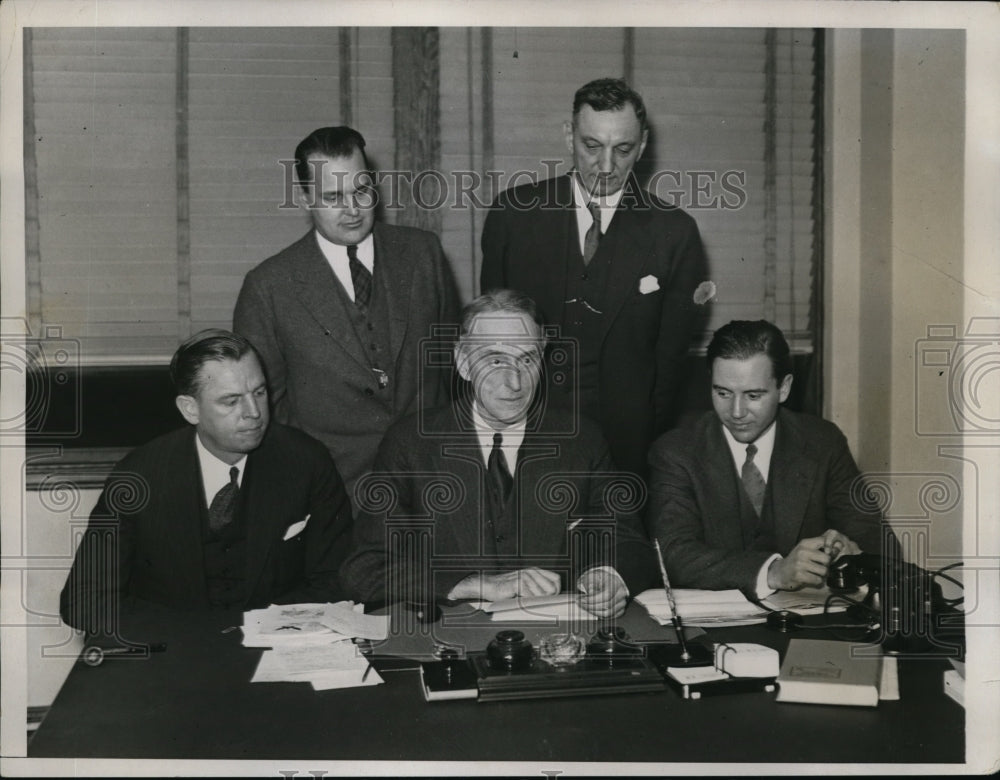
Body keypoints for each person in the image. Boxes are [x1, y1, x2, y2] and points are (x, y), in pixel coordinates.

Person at [342, 290, 656, 618]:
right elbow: (363, 569)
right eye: (495, 360)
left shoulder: (582, 439)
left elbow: (630, 541)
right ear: (463, 363)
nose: (515, 382)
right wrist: (473, 584)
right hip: (453, 642)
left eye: (527, 359)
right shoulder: (411, 444)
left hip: (556, 639)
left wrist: (608, 576)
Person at [480, 78, 710, 479]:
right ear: (569, 136)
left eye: (622, 149)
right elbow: (494, 341)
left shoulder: (674, 232)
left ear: (642, 146)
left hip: (625, 451)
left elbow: (669, 364)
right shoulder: (513, 216)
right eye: (592, 146)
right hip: (527, 435)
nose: (606, 166)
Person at [60, 330, 353, 637]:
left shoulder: (306, 461)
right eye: (231, 401)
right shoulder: (139, 477)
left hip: (276, 645)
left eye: (260, 392)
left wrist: (261, 628)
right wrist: (198, 634)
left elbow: (337, 577)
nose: (253, 413)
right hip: (174, 653)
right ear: (190, 409)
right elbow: (84, 601)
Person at [234, 126, 459, 509]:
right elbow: (266, 410)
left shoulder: (424, 255)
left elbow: (455, 370)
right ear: (305, 198)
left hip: (434, 487)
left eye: (361, 191)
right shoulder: (268, 287)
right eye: (333, 197)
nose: (352, 209)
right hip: (332, 500)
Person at [647, 320, 889, 596]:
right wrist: (773, 572)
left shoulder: (822, 442)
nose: (736, 412)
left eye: (753, 395)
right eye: (722, 393)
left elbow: (877, 539)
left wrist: (853, 552)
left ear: (783, 388)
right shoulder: (676, 451)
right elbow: (672, 555)